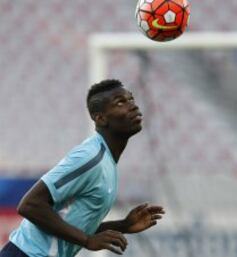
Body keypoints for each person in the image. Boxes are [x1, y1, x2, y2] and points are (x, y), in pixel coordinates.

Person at [0, 79, 165, 257]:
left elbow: (73, 225)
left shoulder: (106, 161)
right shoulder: (90, 158)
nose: (132, 106)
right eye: (120, 102)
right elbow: (29, 205)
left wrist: (123, 225)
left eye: (131, 99)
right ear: (101, 118)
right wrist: (86, 241)